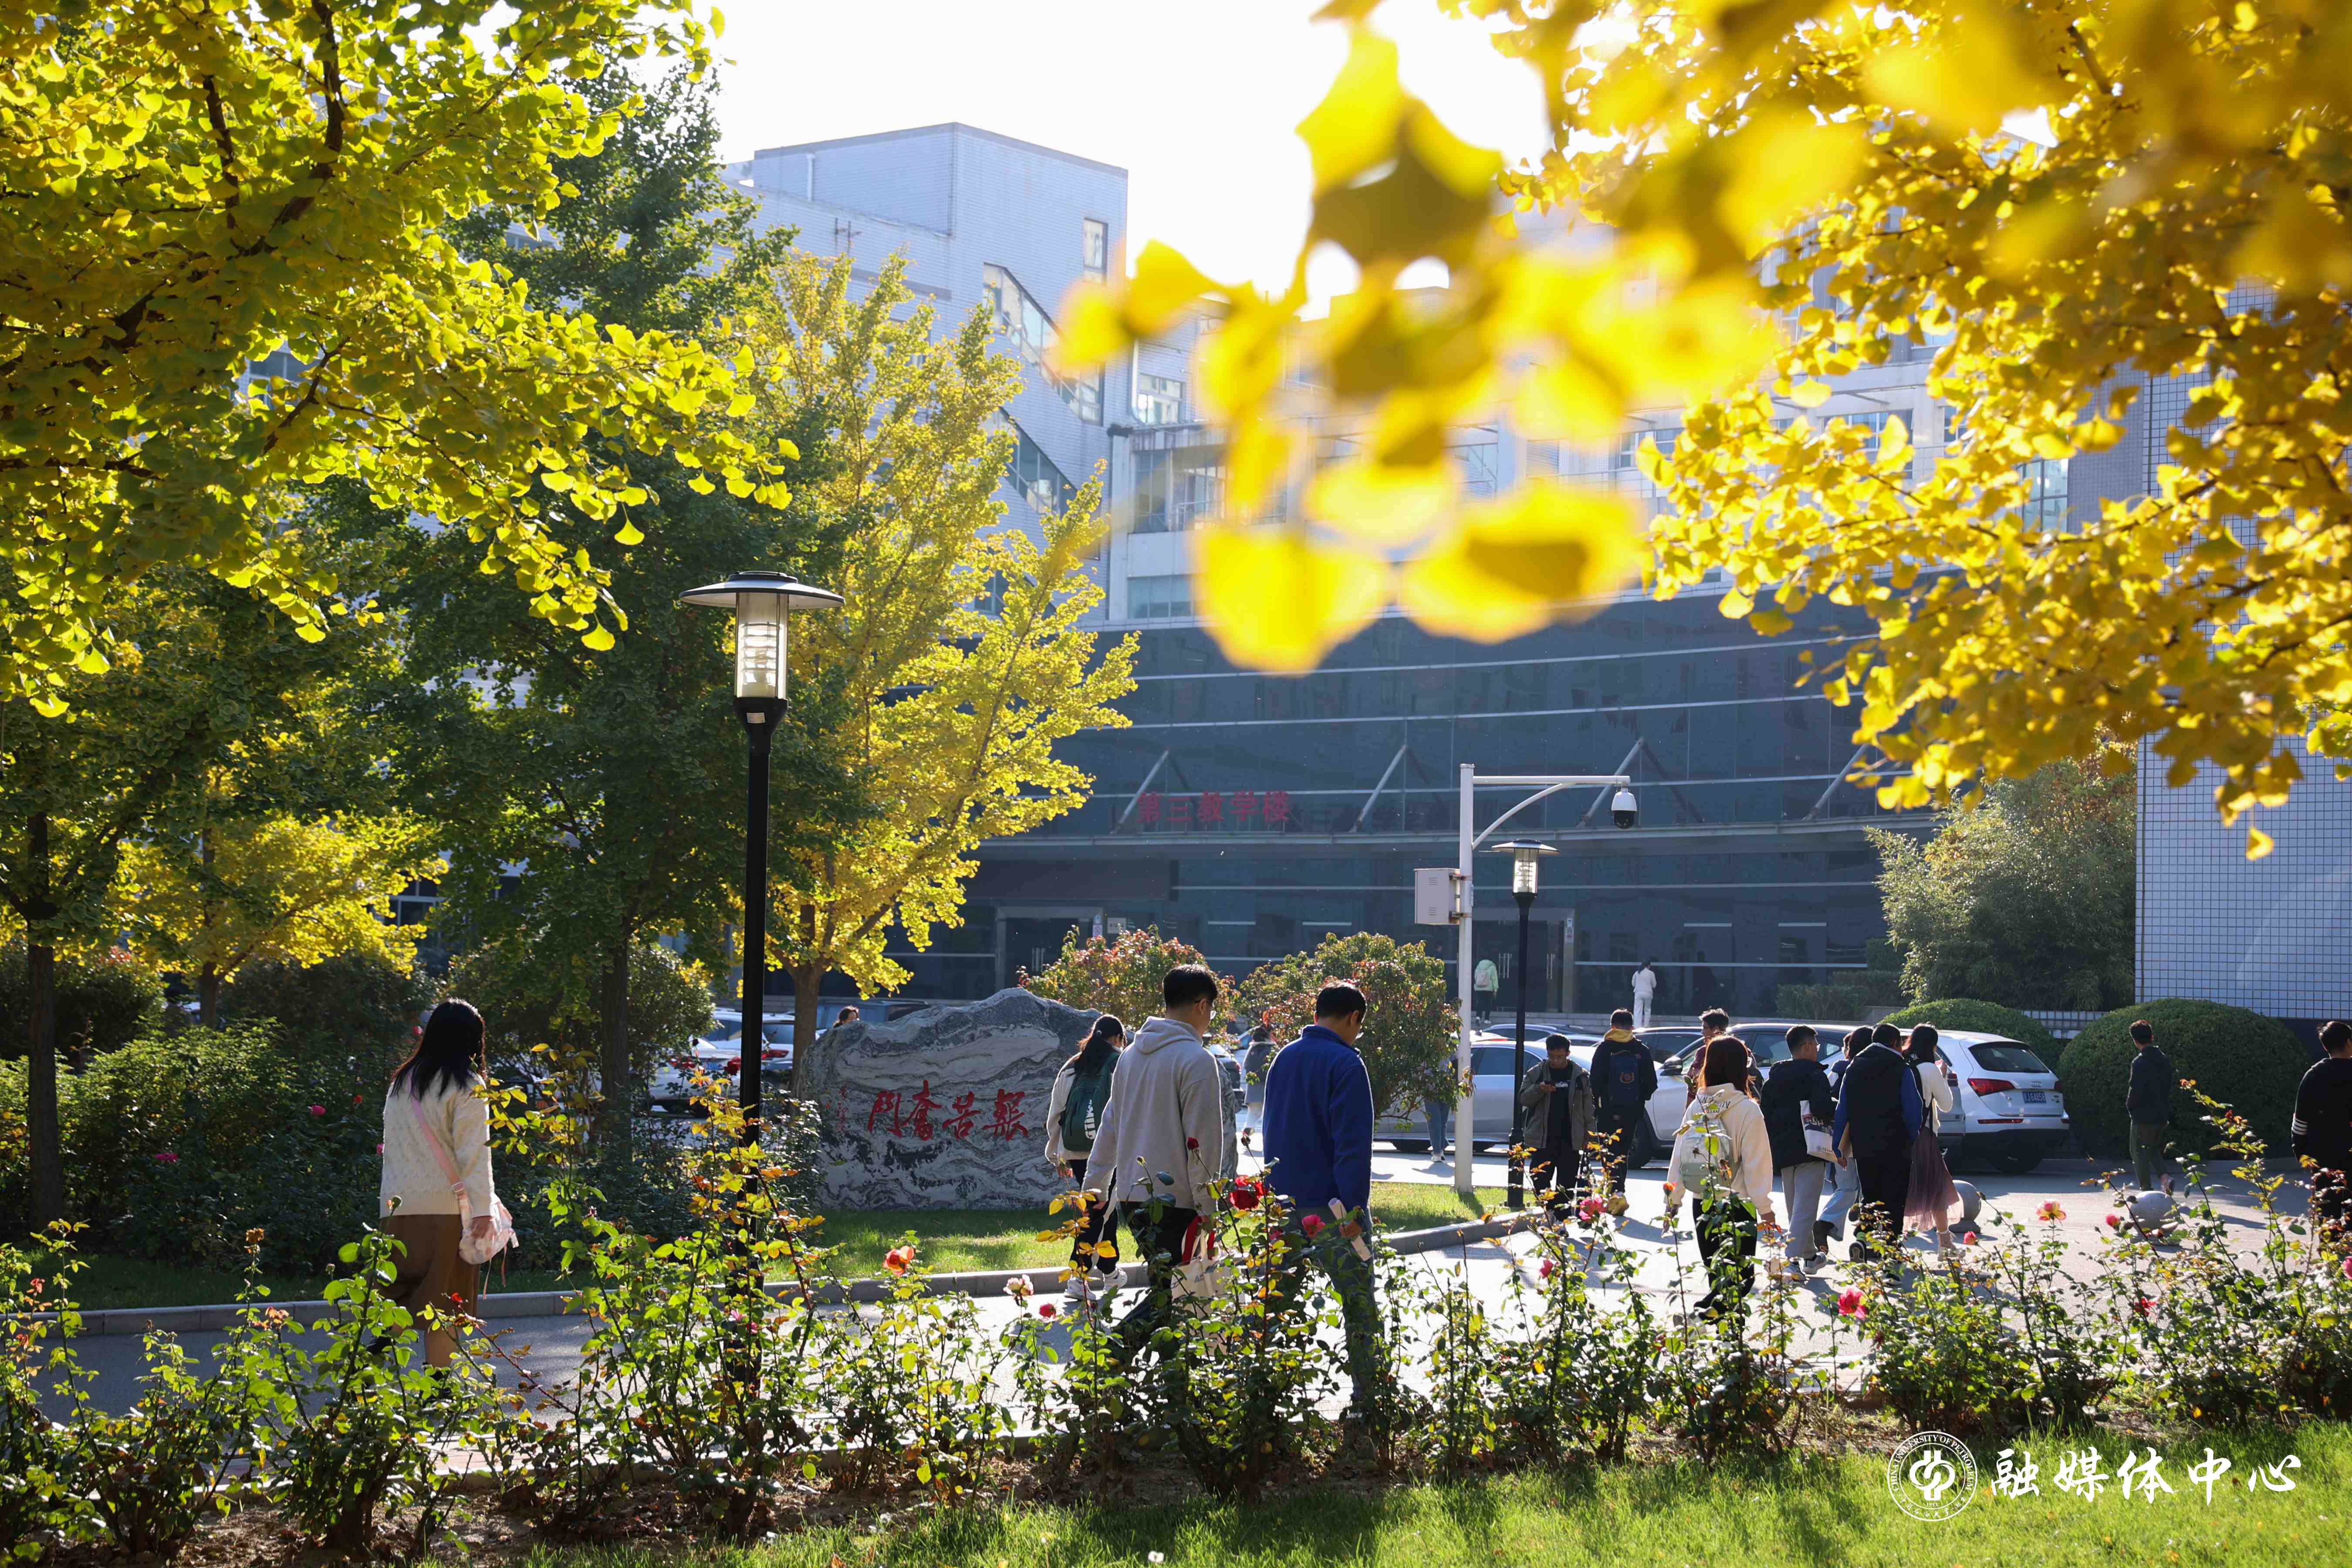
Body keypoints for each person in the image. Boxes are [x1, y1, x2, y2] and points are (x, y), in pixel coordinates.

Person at [1086, 964, 1230, 1364]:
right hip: (1178, 1201)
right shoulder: (1196, 1060)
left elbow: (1111, 1124)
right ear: (1202, 1006)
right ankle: (1109, 1358)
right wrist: (1208, 1205)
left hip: (1134, 1197)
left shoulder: (1131, 1056)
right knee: (1174, 1294)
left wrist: (1096, 1182)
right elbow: (1202, 1145)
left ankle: (1172, 1381)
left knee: (1171, 1291)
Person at [1260, 981, 1386, 1411]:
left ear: (1317, 1013)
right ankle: (1369, 1399)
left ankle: (1260, 1396)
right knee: (1358, 1303)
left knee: (1275, 1306)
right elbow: (1352, 1147)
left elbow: (1271, 1130)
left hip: (1284, 1205)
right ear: (1353, 1018)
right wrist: (1354, 1210)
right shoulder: (1347, 1064)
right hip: (1334, 1208)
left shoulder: (1284, 1058)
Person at [379, 999, 499, 1368]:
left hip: (396, 1211)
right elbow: (474, 1155)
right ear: (472, 1040)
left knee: (396, 1303)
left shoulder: (402, 1082)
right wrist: (483, 1211)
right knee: (444, 1309)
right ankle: (439, 1389)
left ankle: (362, 1372)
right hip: (447, 1213)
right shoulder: (466, 1085)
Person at [1668, 1036, 1777, 1318]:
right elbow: (1756, 1164)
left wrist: (1673, 1199)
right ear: (1742, 1068)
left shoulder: (1697, 1106)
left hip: (1702, 1202)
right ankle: (1704, 1317)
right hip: (1738, 1204)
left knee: (1718, 1274)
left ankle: (1720, 1330)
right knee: (1741, 1278)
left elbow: (1680, 1156)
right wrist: (1765, 1208)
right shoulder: (1748, 1109)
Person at [1044, 1013, 1126, 1300]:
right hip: (1108, 1151)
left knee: (1104, 1210)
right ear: (1118, 1038)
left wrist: (1057, 1154)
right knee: (1098, 1212)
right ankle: (1078, 1277)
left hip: (1076, 1150)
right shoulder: (1120, 1063)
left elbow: (1057, 1112)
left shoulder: (1072, 1065)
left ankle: (1110, 1271)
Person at [1832, 1022, 1923, 1261]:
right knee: (1895, 1199)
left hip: (1864, 1144)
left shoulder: (1855, 1066)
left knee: (1870, 1196)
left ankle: (1864, 1241)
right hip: (1897, 1144)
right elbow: (1913, 1110)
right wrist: (1911, 1136)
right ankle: (1892, 1253)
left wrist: (1837, 1146)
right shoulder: (1901, 1068)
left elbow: (1843, 1108)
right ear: (1895, 1043)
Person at [1761, 1025, 1836, 1273]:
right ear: (1807, 1046)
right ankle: (1789, 1260)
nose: (1818, 1049)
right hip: (1810, 1148)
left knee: (1796, 1207)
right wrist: (1836, 1107)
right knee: (1805, 1208)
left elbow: (1765, 1114)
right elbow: (1822, 1109)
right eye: (1816, 1045)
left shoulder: (1774, 1077)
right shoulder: (1815, 1075)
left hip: (1783, 1150)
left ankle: (1810, 1256)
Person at [1903, 1024, 1961, 1259]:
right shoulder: (1930, 1069)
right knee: (1937, 1189)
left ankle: (1888, 1243)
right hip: (1924, 1136)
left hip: (1898, 1135)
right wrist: (1942, 1075)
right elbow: (1946, 1105)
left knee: (1900, 1188)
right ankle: (1945, 1244)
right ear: (1933, 1046)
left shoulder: (1902, 1063)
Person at [1518, 1033, 1596, 1207]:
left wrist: (1590, 1136)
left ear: (1568, 1054)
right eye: (1552, 1057)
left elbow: (1588, 1110)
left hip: (1570, 1140)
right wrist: (1539, 1089)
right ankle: (1549, 1213)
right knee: (1539, 1181)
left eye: (1560, 1057)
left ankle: (1562, 1217)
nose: (1555, 1061)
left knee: (1566, 1187)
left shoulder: (1580, 1076)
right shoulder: (1537, 1072)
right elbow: (1523, 1099)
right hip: (1543, 1140)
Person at [2292, 1018, 2352, 1239]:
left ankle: (2329, 1252)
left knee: (2327, 1210)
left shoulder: (2314, 1075)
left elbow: (2300, 1121)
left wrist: (2301, 1152)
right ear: (2348, 1043)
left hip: (2323, 1155)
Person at [1589, 1008, 1657, 1198]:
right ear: (1632, 1028)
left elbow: (1594, 1080)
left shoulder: (1604, 1049)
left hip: (1606, 1109)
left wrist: (1597, 1101)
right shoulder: (1641, 1050)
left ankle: (1615, 1191)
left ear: (1612, 1027)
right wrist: (1640, 1099)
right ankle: (1619, 1190)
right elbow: (1652, 1083)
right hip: (1632, 1110)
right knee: (1623, 1152)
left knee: (1608, 1150)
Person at [1814, 1027, 1869, 1251]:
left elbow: (1826, 1095)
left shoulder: (1839, 1068)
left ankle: (1825, 1222)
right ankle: (1864, 1236)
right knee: (1869, 1190)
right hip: (1868, 1136)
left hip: (1840, 1136)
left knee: (1846, 1188)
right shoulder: (1873, 1069)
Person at [2127, 1018, 2178, 1195]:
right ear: (2152, 1037)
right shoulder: (2164, 1060)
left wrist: (2130, 1107)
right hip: (2161, 1114)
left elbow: (2136, 1090)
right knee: (2152, 1148)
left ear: (2135, 1041)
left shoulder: (2139, 1062)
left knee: (2138, 1151)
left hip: (2143, 1115)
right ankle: (2165, 1178)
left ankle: (2146, 1190)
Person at [1631, 960, 1659, 1031]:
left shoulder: (1637, 973)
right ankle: (1646, 1025)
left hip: (1638, 993)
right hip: (1648, 993)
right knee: (1647, 1009)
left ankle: (1637, 1027)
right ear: (1649, 966)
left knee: (1638, 1010)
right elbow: (1654, 985)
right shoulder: (1651, 973)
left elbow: (1633, 984)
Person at [1474, 957, 1500, 1024]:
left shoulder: (1479, 966)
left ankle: (1478, 1017)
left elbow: (1476, 977)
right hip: (1489, 989)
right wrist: (1495, 989)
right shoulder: (1492, 967)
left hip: (1479, 988)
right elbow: (1494, 979)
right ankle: (1487, 1019)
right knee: (1488, 1004)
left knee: (1480, 1003)